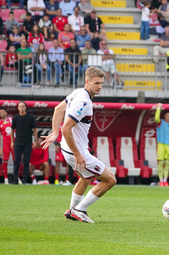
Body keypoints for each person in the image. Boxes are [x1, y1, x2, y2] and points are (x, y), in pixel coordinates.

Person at [41, 66, 117, 223]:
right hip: (75, 151)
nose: (100, 86)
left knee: (86, 178)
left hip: (68, 148)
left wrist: (55, 133)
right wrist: (77, 154)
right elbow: (66, 128)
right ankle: (79, 210)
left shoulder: (78, 93)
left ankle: (71, 211)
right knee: (110, 180)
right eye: (96, 83)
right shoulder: (83, 102)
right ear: (87, 81)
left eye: (101, 83)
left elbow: (58, 109)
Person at [11, 101, 38, 185]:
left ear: (25, 107)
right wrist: (12, 141)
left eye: (23, 106)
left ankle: (24, 180)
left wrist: (36, 140)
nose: (21, 108)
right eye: (20, 107)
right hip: (18, 142)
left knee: (26, 161)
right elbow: (12, 130)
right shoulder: (15, 118)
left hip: (28, 142)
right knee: (16, 161)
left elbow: (35, 129)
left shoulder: (30, 117)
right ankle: (15, 180)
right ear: (18, 108)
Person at [154, 103, 169, 186]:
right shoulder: (160, 122)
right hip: (161, 144)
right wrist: (158, 108)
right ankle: (161, 180)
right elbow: (156, 118)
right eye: (167, 115)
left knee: (167, 163)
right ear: (164, 116)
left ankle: (165, 180)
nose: (168, 117)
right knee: (161, 162)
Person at [0, 108, 14, 185]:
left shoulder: (11, 119)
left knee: (16, 160)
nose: (1, 113)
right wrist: (0, 148)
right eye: (0, 112)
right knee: (5, 160)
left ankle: (17, 178)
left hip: (13, 143)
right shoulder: (0, 122)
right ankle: (6, 179)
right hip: (5, 144)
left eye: (2, 112)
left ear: (6, 112)